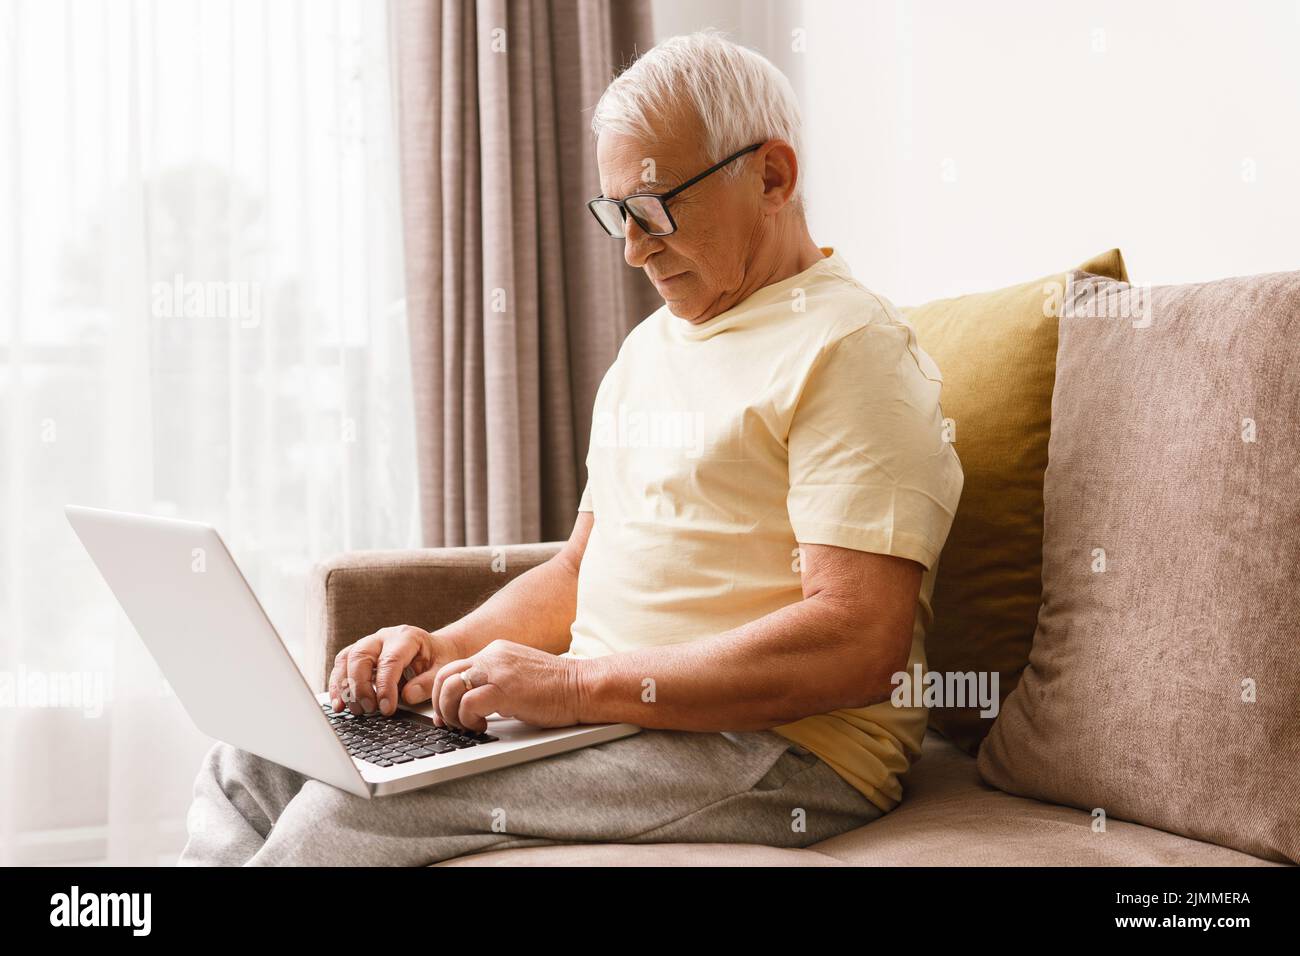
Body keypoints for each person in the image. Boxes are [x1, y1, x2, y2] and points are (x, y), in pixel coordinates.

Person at [180, 30, 963, 867]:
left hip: (779, 749)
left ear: (771, 176)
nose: (632, 248)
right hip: (619, 715)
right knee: (247, 764)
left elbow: (857, 640)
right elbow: (579, 567)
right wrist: (448, 648)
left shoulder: (851, 348)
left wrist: (574, 687)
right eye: (616, 213)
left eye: (657, 206)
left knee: (339, 821)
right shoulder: (649, 351)